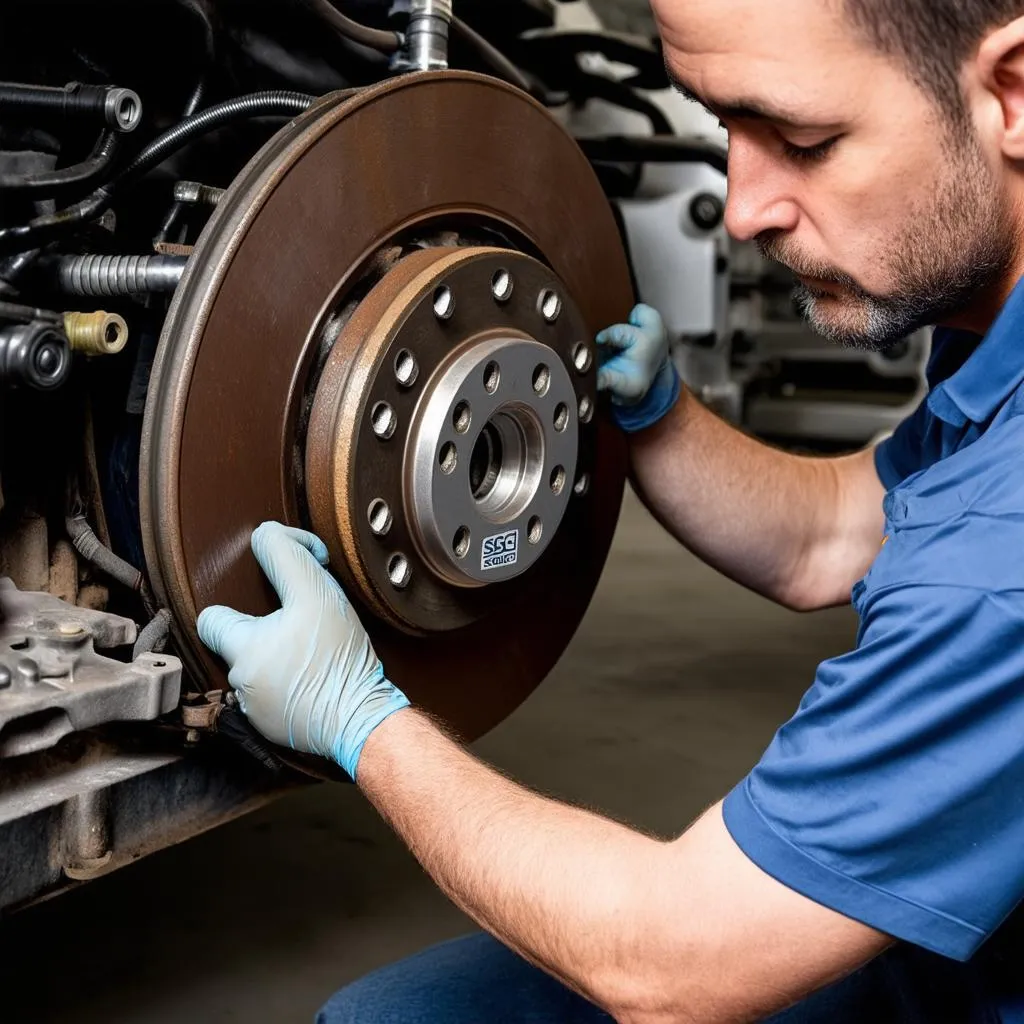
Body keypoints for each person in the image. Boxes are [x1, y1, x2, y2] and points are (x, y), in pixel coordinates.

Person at [196, 0, 1024, 1020]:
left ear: (1013, 92)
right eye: (725, 126)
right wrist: (664, 424)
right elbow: (835, 533)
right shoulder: (997, 332)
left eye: (804, 141)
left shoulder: (1004, 560)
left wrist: (358, 718)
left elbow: (671, 965)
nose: (744, 207)